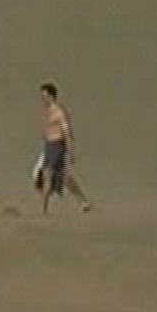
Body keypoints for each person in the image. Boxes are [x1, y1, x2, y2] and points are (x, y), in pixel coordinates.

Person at [32, 81, 91, 214]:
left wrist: (70, 151)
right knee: (64, 178)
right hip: (48, 147)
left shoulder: (59, 112)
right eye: (42, 97)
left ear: (52, 96)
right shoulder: (47, 111)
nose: (43, 100)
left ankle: (43, 210)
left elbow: (67, 131)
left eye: (45, 96)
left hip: (57, 146)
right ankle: (84, 201)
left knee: (47, 175)